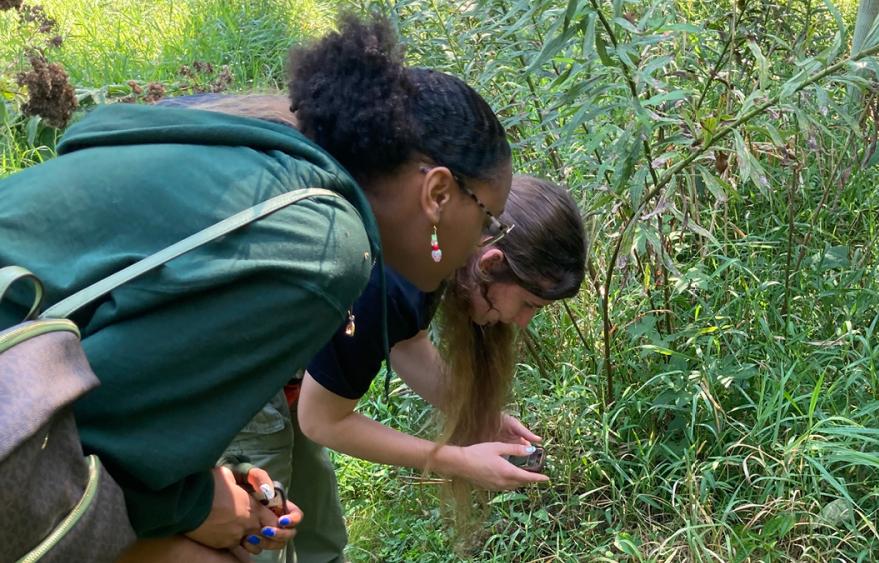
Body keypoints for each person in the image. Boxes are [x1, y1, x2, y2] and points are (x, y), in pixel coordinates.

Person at [0, 13, 512, 562]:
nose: (483, 241)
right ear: (438, 193)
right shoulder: (326, 243)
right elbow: (97, 436)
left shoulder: (262, 148)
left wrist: (214, 483)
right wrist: (198, 507)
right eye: (488, 218)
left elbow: (136, 367)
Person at [222, 175, 586, 562]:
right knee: (264, 536)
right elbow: (323, 421)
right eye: (529, 304)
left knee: (319, 533)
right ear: (491, 262)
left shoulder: (433, 246)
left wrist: (475, 413)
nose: (524, 321)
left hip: (289, 363)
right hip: (236, 363)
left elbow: (406, 343)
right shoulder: (389, 276)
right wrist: (460, 461)